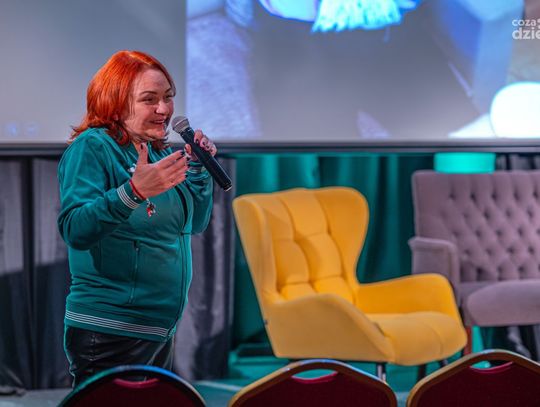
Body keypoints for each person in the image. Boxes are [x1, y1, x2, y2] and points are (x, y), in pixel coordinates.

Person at [57, 50, 216, 387]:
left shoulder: (158, 152)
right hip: (110, 332)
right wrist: (133, 192)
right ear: (115, 104)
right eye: (149, 99)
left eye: (168, 97)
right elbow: (75, 229)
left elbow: (195, 224)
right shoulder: (92, 147)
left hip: (157, 331)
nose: (164, 109)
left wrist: (198, 169)